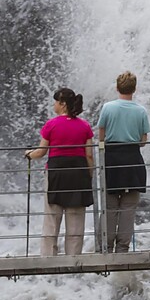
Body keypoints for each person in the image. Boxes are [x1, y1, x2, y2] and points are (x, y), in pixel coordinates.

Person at [27, 88, 95, 256]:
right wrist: (90, 174)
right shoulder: (84, 126)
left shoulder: (51, 124)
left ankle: (48, 258)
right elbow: (89, 154)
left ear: (62, 104)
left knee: (52, 217)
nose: (54, 104)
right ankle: (73, 260)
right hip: (79, 173)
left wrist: (28, 154)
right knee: (76, 220)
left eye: (55, 101)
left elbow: (41, 152)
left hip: (56, 173)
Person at [94, 71, 150, 253]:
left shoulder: (108, 108)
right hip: (133, 158)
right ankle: (123, 247)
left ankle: (106, 246)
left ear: (117, 87)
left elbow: (100, 135)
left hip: (111, 159)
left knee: (110, 206)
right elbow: (143, 140)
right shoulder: (141, 110)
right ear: (134, 89)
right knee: (129, 207)